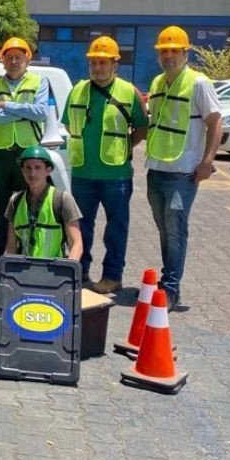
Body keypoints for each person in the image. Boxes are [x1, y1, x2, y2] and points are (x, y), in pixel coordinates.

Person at [62, 36, 148, 294]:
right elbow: (68, 124)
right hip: (83, 173)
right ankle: (81, 271)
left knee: (116, 227)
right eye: (94, 62)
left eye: (103, 62)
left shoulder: (128, 92)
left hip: (116, 175)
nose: (97, 67)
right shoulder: (77, 90)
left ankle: (112, 276)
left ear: (115, 64)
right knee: (80, 227)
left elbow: (141, 128)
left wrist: (121, 148)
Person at [145, 25, 222, 312]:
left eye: (173, 51)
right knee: (164, 229)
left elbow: (216, 122)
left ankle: (171, 288)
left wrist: (207, 162)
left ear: (185, 52)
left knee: (175, 229)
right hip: (156, 169)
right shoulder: (157, 83)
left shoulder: (199, 83)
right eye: (163, 51)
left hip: (183, 173)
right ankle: (168, 279)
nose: (168, 56)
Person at [0, 37, 48, 258]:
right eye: (9, 57)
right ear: (2, 61)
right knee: (0, 209)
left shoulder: (39, 81)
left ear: (27, 60)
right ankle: (0, 258)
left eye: (18, 57)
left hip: (28, 155)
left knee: (30, 205)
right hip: (0, 154)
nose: (13, 61)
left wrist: (8, 105)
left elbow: (40, 112)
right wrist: (23, 111)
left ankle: (28, 256)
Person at [5, 146, 83, 261]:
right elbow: (11, 245)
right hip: (24, 270)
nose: (32, 173)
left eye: (38, 168)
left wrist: (69, 269)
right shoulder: (15, 201)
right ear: (22, 171)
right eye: (28, 168)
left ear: (48, 170)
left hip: (54, 271)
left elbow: (77, 244)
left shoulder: (62, 199)